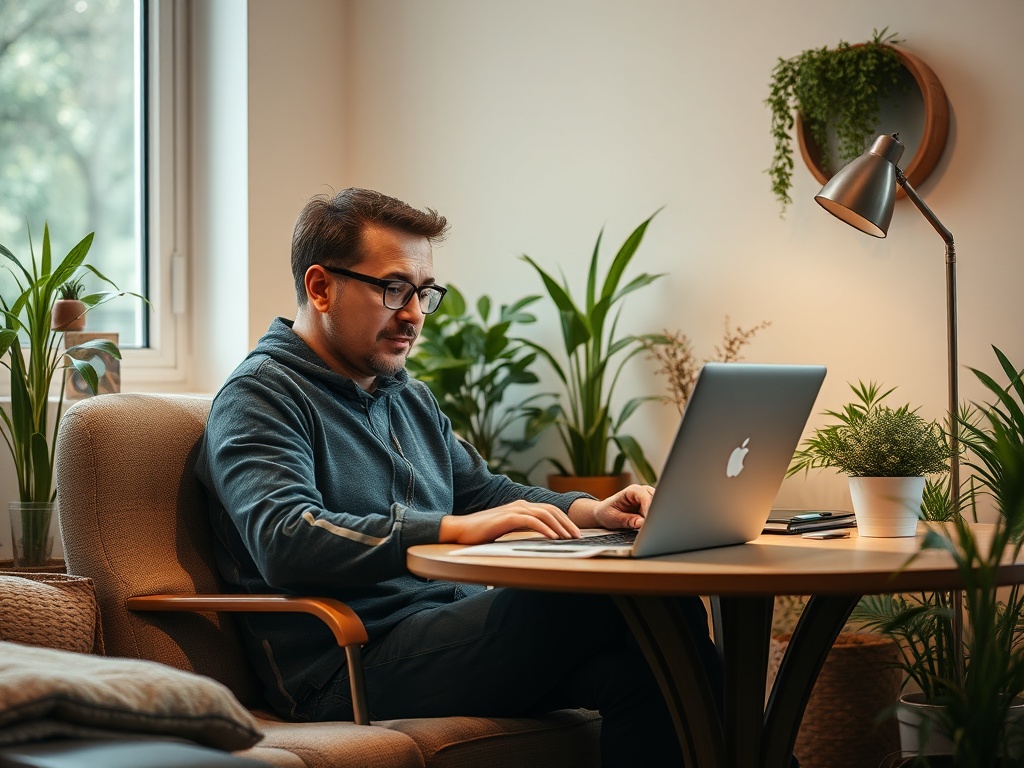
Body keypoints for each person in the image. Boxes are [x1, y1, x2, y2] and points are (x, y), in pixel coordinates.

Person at [195, 187, 722, 767]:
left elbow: (488, 492)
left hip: (441, 629)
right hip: (346, 663)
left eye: (424, 293)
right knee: (614, 594)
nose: (415, 314)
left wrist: (591, 511)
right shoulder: (261, 396)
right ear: (321, 287)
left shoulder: (407, 397)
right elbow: (286, 538)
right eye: (394, 289)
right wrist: (449, 529)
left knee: (646, 672)